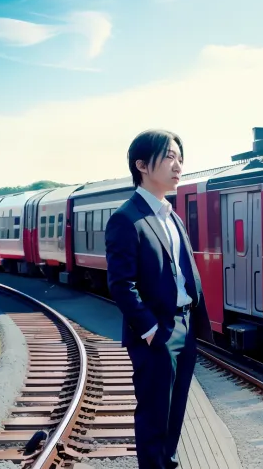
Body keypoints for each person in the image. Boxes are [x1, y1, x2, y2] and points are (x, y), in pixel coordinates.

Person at [105, 129, 213, 469]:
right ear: (142, 165)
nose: (177, 165)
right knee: (154, 417)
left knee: (176, 412)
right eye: (169, 157)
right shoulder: (127, 218)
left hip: (184, 326)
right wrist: (150, 330)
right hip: (157, 332)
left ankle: (168, 463)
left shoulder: (172, 216)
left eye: (180, 158)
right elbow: (121, 284)